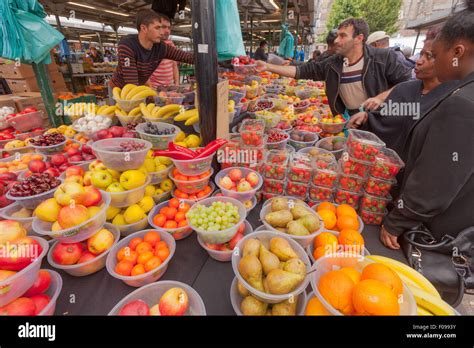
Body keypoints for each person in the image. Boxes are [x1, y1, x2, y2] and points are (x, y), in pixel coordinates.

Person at [380, 0, 474, 249]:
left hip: (435, 233)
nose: (423, 61)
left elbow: (437, 180)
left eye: (436, 53)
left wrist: (396, 220)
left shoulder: (463, 103)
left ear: (457, 53)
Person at [254, 18, 412, 120]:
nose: (336, 40)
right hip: (349, 121)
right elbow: (302, 71)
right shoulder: (333, 64)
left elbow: (408, 85)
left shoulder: (384, 59)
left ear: (359, 38)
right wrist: (268, 66)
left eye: (343, 36)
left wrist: (379, 99)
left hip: (380, 120)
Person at [363, 26, 458, 156]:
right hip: (386, 167)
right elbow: (385, 119)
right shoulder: (405, 89)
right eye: (421, 54)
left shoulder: (452, 99)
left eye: (429, 56)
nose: (418, 61)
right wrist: (366, 117)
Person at [110, 9, 193, 89]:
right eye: (157, 28)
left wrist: (204, 56)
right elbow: (132, 83)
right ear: (144, 28)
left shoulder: (160, 47)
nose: (161, 32)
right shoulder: (127, 45)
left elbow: (186, 57)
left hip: (138, 89)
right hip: (119, 89)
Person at [147, 14, 180, 88]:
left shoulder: (171, 44)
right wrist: (151, 89)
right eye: (164, 27)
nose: (167, 31)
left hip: (170, 88)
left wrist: (177, 84)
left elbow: (174, 66)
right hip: (155, 88)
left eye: (169, 28)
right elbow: (145, 71)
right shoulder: (152, 45)